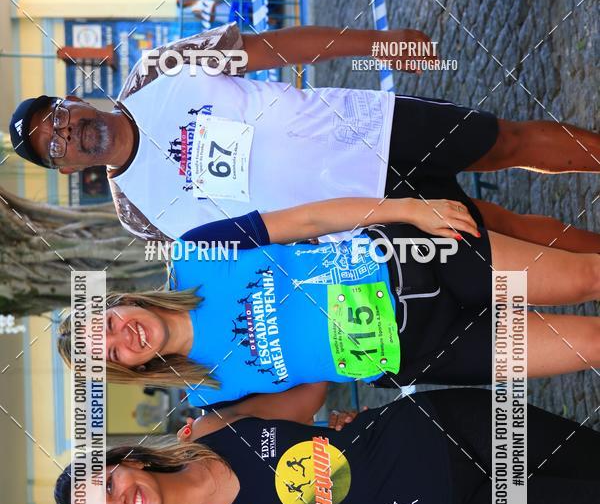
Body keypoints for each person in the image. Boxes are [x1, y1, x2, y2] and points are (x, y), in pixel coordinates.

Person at [10, 23, 600, 242]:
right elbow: (244, 250)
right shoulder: (138, 217)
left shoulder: (157, 68)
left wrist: (376, 44)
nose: (65, 132)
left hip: (372, 127)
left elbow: (275, 48)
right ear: (66, 169)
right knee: (498, 227)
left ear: (72, 98)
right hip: (362, 213)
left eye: (56, 116)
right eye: (52, 146)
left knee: (507, 142)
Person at [57, 186, 600, 400]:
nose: (123, 338)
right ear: (126, 370)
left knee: (585, 278)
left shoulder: (195, 253)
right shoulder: (208, 394)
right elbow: (303, 404)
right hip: (424, 350)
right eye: (110, 355)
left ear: (118, 302)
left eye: (106, 325)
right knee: (591, 344)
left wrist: (410, 209)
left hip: (412, 262)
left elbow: (307, 219)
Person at [54, 389, 600, 504]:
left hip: (440, 430)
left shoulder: (210, 429)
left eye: (108, 484)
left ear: (126, 461)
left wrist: (343, 425)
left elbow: (310, 384)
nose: (120, 503)